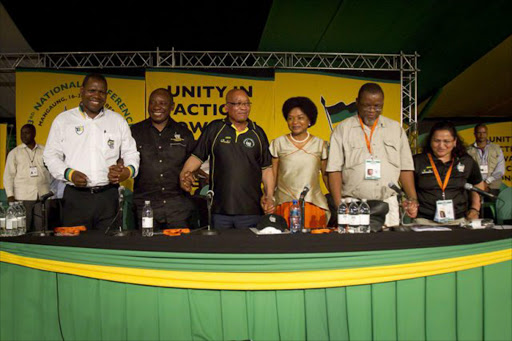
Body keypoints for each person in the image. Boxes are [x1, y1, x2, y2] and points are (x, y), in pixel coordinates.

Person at [43, 73, 139, 230]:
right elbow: (50, 156)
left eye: (101, 92)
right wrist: (69, 174)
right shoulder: (63, 120)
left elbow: (131, 153)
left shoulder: (117, 121)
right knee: (75, 249)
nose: (96, 95)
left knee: (108, 248)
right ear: (81, 91)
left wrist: (126, 172)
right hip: (75, 198)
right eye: (92, 90)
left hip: (108, 197)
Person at [179, 89, 274, 229]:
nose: (243, 107)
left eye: (247, 104)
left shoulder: (257, 132)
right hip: (219, 211)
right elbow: (196, 157)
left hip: (251, 211)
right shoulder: (215, 129)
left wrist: (270, 195)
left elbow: (266, 169)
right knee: (220, 249)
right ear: (226, 107)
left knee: (248, 250)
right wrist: (184, 173)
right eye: (238, 103)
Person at [326, 83, 418, 226]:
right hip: (353, 204)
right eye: (367, 105)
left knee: (389, 246)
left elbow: (405, 168)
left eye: (377, 106)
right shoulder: (342, 130)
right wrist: (339, 206)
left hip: (388, 204)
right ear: (357, 103)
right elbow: (334, 170)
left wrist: (412, 199)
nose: (372, 110)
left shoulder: (395, 129)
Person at [130, 88, 195, 229]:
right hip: (145, 207)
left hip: (178, 208)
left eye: (162, 103)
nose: (156, 107)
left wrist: (190, 176)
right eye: (152, 102)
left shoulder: (184, 133)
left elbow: (194, 164)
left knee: (178, 249)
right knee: (148, 250)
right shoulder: (134, 132)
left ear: (172, 106)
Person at [270, 97, 330, 228]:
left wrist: (339, 200)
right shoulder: (278, 143)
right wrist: (269, 197)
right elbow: (273, 174)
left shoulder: (320, 145)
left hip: (313, 204)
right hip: (284, 204)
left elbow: (326, 176)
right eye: (290, 118)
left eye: (300, 117)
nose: (295, 122)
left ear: (310, 120)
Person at [413, 121, 484, 225]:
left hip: (457, 220)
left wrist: (474, 209)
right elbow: (407, 188)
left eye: (446, 141)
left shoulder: (466, 161)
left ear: (455, 141)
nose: (441, 146)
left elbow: (477, 184)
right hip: (424, 221)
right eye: (436, 141)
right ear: (430, 141)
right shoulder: (417, 161)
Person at [3, 124, 51, 231]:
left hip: (43, 196)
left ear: (34, 134)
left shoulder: (44, 151)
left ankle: (41, 246)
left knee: (42, 227)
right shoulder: (14, 153)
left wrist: (52, 191)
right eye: (22, 133)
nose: (23, 135)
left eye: (27, 133)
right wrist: (10, 195)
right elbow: (8, 175)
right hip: (22, 196)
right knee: (24, 227)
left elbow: (52, 172)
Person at [467, 123, 505, 197]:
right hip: (475, 186)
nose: (481, 135)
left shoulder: (496, 148)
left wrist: (487, 182)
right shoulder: (468, 150)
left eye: (484, 132)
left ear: (487, 133)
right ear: (474, 134)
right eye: (479, 133)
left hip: (493, 186)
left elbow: (500, 169)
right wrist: (479, 183)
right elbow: (468, 169)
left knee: (492, 207)